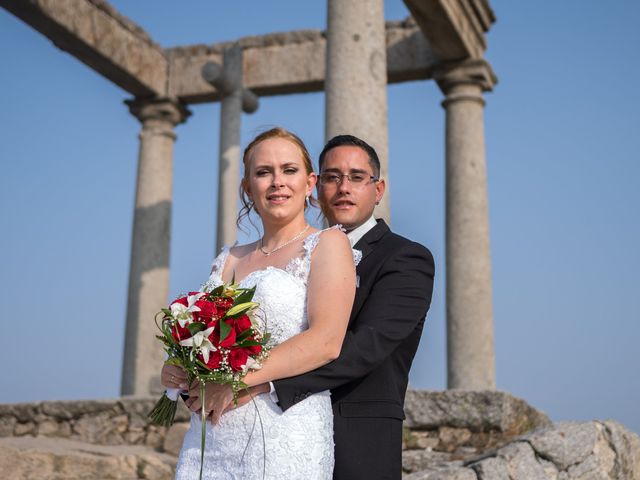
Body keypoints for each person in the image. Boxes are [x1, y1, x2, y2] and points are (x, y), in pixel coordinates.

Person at [162, 127, 356, 479]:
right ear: (248, 186)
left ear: (310, 182)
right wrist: (178, 370)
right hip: (213, 434)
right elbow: (203, 338)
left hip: (285, 428)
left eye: (289, 170)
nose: (277, 181)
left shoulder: (328, 244)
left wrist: (234, 383)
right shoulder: (228, 259)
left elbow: (326, 341)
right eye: (264, 172)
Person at [274, 135, 435, 479]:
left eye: (357, 177)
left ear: (378, 190)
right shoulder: (294, 258)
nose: (343, 187)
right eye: (332, 177)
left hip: (356, 439)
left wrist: (269, 384)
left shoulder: (405, 258)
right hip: (276, 433)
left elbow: (368, 345)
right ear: (316, 189)